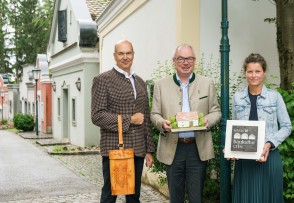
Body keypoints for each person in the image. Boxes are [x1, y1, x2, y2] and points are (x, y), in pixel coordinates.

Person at [151, 44, 222, 203]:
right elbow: (154, 114)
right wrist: (162, 123)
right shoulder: (160, 85)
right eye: (181, 58)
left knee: (196, 197)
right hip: (172, 148)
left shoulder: (207, 83)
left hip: (197, 148)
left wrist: (207, 121)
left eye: (189, 58)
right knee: (175, 198)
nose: (185, 62)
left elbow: (216, 111)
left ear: (194, 61)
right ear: (174, 61)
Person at [91, 39, 155, 203]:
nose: (125, 57)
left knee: (134, 196)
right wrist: (129, 120)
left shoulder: (140, 82)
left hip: (138, 148)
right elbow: (97, 115)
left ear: (133, 55)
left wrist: (149, 150)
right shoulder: (103, 79)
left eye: (128, 53)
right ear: (115, 56)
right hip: (114, 147)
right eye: (121, 53)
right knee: (110, 194)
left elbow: (145, 118)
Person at [227, 53, 292, 203]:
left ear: (264, 73)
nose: (253, 75)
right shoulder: (237, 98)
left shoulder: (275, 97)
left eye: (257, 71)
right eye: (250, 71)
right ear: (245, 73)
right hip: (244, 161)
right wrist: (231, 148)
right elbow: (236, 127)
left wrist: (269, 143)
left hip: (269, 158)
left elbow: (287, 127)